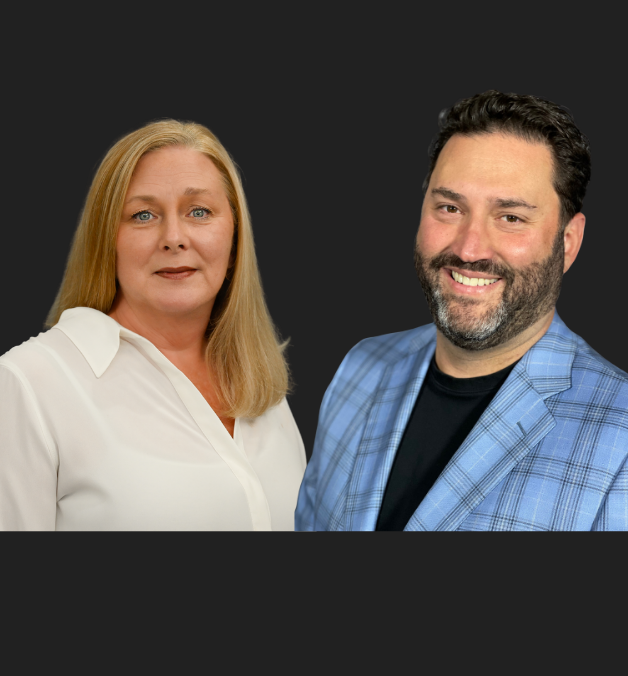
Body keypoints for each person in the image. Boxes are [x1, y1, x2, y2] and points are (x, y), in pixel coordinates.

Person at [296, 90, 628, 532]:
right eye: (450, 208)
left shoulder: (621, 438)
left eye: (510, 217)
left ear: (567, 242)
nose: (470, 249)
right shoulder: (360, 368)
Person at [0, 120, 305, 531]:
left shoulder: (261, 385)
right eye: (143, 215)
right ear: (106, 241)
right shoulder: (28, 384)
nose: (174, 238)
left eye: (199, 212)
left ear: (234, 240)